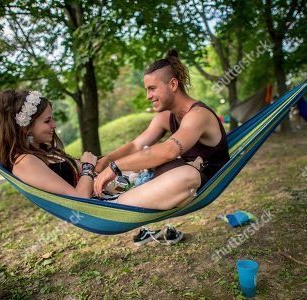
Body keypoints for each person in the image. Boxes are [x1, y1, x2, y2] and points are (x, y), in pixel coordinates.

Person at [94, 49, 230, 244]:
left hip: (194, 184)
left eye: (152, 88)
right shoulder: (166, 117)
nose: (148, 96)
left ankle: (116, 206)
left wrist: (116, 167)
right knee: (144, 162)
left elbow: (170, 150)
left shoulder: (198, 115)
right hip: (169, 183)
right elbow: (137, 145)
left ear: (173, 84)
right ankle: (117, 198)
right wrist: (105, 162)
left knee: (185, 175)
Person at [0, 89, 97, 198]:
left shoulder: (46, 150)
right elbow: (80, 198)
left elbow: (90, 169)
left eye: (53, 119)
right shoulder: (25, 162)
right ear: (26, 128)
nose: (54, 125)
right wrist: (88, 167)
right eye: (47, 121)